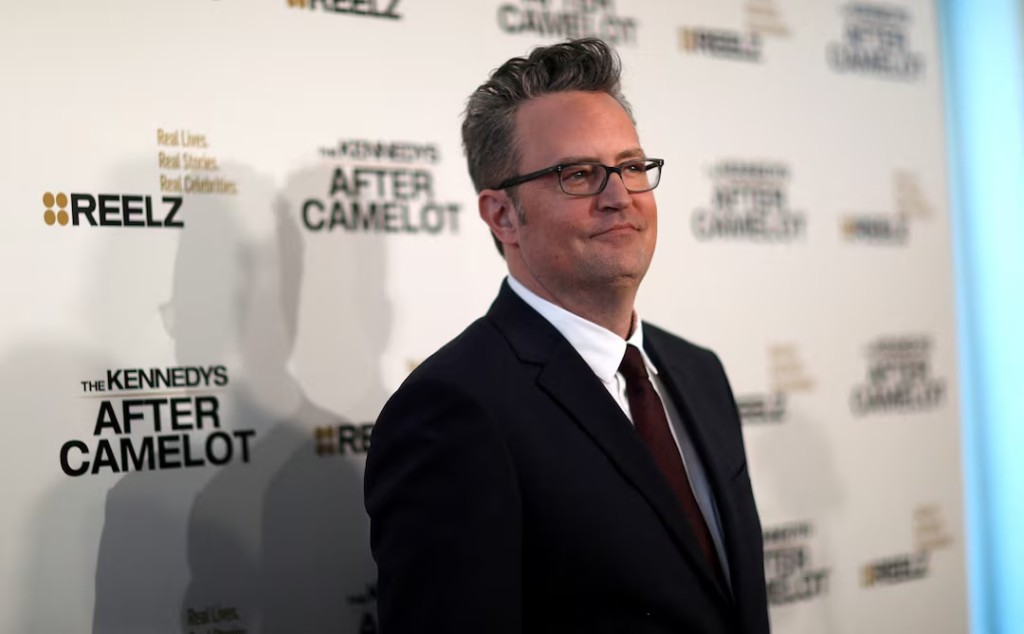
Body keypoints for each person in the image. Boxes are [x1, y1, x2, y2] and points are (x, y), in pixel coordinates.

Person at [364, 38, 770, 634]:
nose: (619, 197)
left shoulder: (698, 371)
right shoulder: (453, 410)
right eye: (578, 175)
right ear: (502, 215)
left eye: (632, 167)